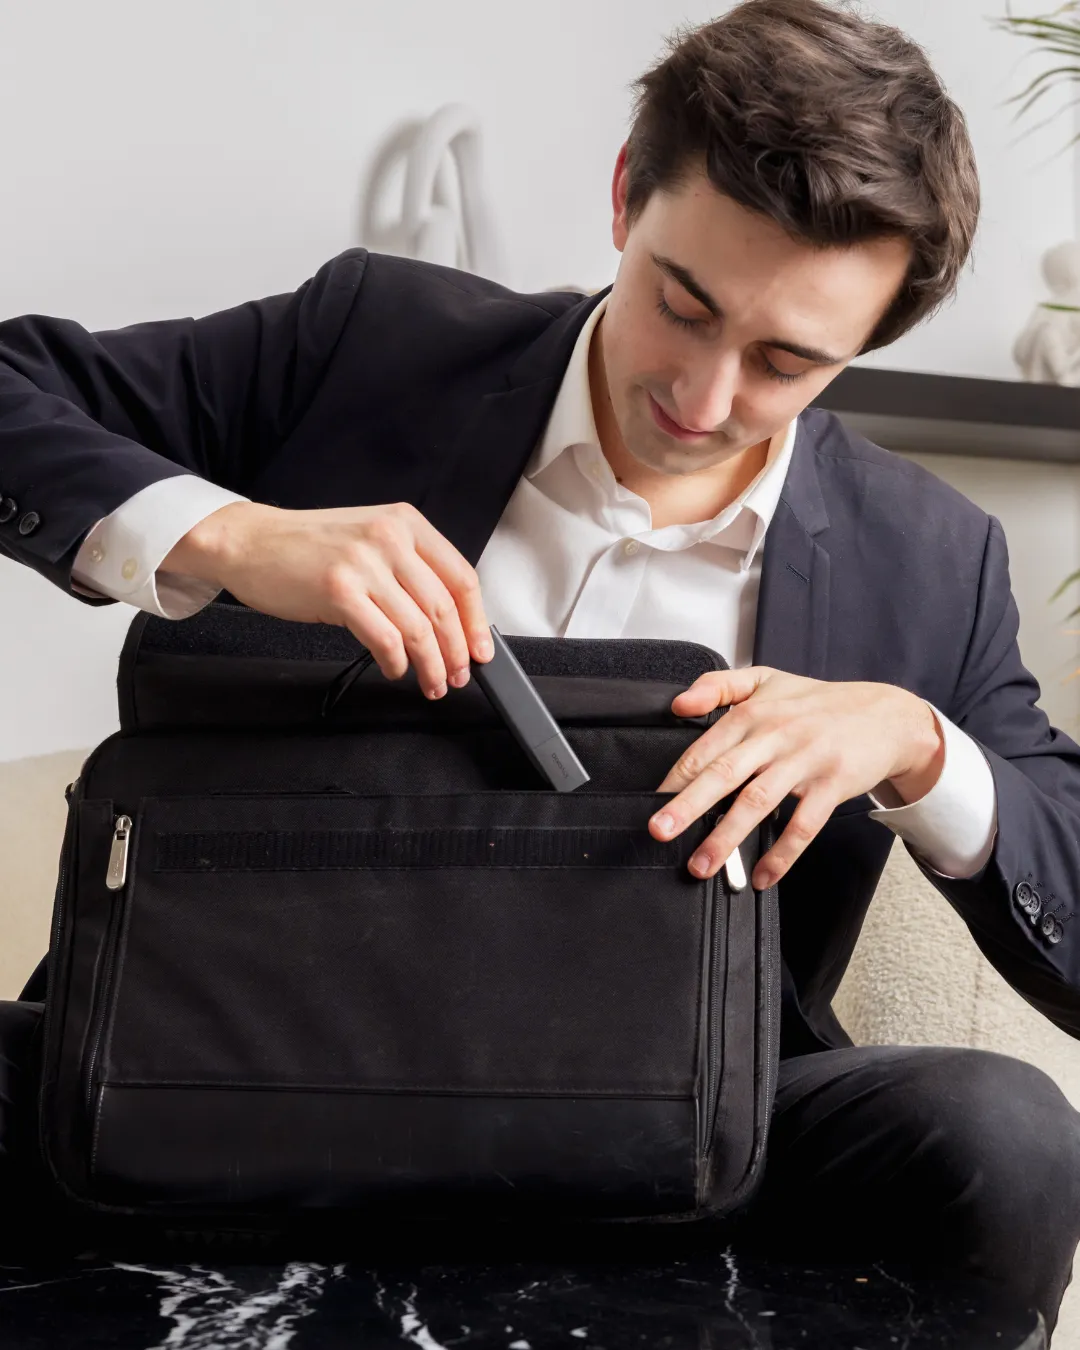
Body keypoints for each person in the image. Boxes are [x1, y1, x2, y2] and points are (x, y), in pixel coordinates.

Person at [2, 0, 1079, 1334]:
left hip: (683, 1134)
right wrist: (228, 533)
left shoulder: (930, 560)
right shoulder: (366, 341)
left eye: (786, 361)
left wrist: (921, 747)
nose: (702, 398)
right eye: (681, 304)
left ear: (869, 340)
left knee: (999, 1137)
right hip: (213, 1067)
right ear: (626, 194)